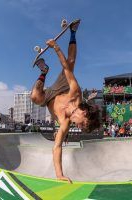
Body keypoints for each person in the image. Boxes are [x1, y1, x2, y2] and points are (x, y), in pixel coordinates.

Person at [30, 19, 100, 183]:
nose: (79, 126)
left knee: (34, 97)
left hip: (47, 98)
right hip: (62, 89)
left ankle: (44, 71)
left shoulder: (65, 125)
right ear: (84, 112)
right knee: (71, 63)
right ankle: (73, 32)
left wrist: (59, 174)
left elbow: (57, 146)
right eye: (82, 124)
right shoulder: (76, 93)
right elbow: (67, 69)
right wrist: (55, 47)